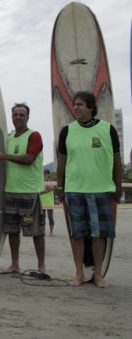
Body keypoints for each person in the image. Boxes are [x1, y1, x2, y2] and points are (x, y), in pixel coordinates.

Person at [56, 91, 122, 288]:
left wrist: (117, 187)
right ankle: (79, 274)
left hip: (101, 189)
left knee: (98, 234)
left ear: (91, 107)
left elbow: (117, 162)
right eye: (74, 104)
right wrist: (60, 187)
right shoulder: (67, 131)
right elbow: (61, 162)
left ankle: (98, 274)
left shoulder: (108, 129)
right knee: (78, 235)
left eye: (81, 105)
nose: (76, 107)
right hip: (75, 190)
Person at [0, 103, 46, 274]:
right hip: (11, 190)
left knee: (36, 231)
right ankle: (15, 265)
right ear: (11, 117)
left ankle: (41, 266)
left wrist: (4, 156)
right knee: (12, 230)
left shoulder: (34, 135)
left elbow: (29, 159)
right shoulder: (9, 137)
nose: (19, 118)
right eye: (16, 115)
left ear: (28, 117)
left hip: (30, 192)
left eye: (22, 115)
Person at [41, 169, 55, 236]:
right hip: (42, 202)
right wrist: (47, 190)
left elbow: (52, 188)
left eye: (46, 174)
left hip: (50, 202)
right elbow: (40, 192)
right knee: (42, 217)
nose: (45, 175)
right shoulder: (41, 182)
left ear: (49, 175)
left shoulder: (51, 182)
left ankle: (51, 232)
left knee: (50, 217)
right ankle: (43, 231)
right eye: (44, 174)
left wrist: (46, 190)